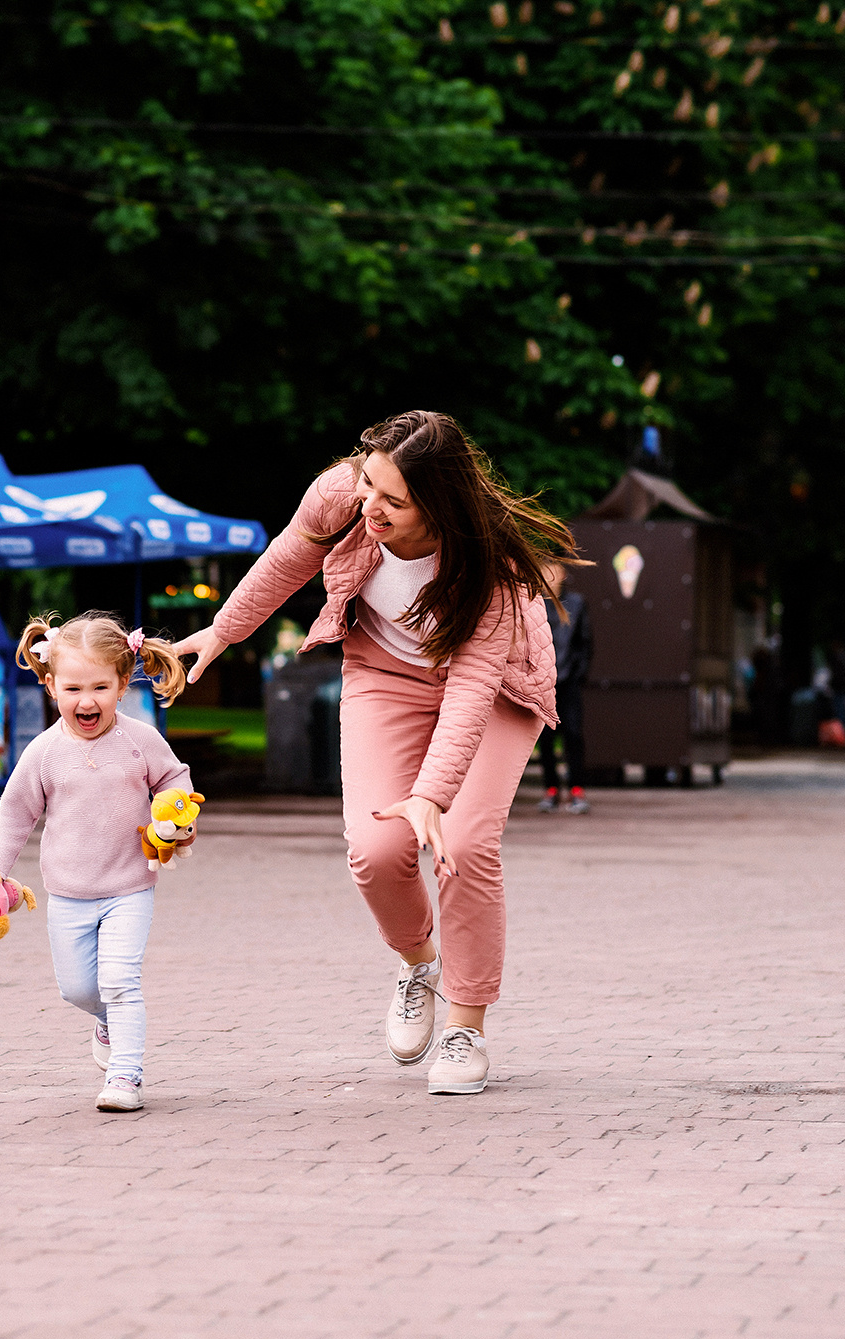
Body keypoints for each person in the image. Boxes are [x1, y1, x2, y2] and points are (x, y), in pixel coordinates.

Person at [175, 411, 576, 1096]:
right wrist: (222, 631)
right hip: (384, 672)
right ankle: (419, 962)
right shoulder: (342, 494)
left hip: (493, 686)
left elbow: (472, 689)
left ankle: (466, 1026)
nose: (370, 507)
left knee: (466, 842)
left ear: (438, 504)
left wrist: (432, 796)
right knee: (376, 849)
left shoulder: (491, 569)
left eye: (392, 500)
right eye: (368, 486)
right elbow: (287, 559)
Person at [0, 612, 191, 1113]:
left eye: (100, 687)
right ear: (51, 686)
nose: (86, 700)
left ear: (122, 684)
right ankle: (105, 1020)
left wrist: (175, 814)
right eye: (73, 688)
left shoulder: (141, 740)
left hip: (130, 887)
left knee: (120, 980)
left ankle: (126, 1076)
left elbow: (175, 779)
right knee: (77, 988)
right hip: (68, 893)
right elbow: (14, 816)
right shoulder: (43, 753)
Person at [535, 560, 593, 814]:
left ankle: (576, 789)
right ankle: (551, 789)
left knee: (573, 735)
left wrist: (578, 675)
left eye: (554, 571)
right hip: (542, 684)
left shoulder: (577, 604)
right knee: (545, 738)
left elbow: (586, 643)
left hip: (568, 682)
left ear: (563, 574)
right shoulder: (534, 605)